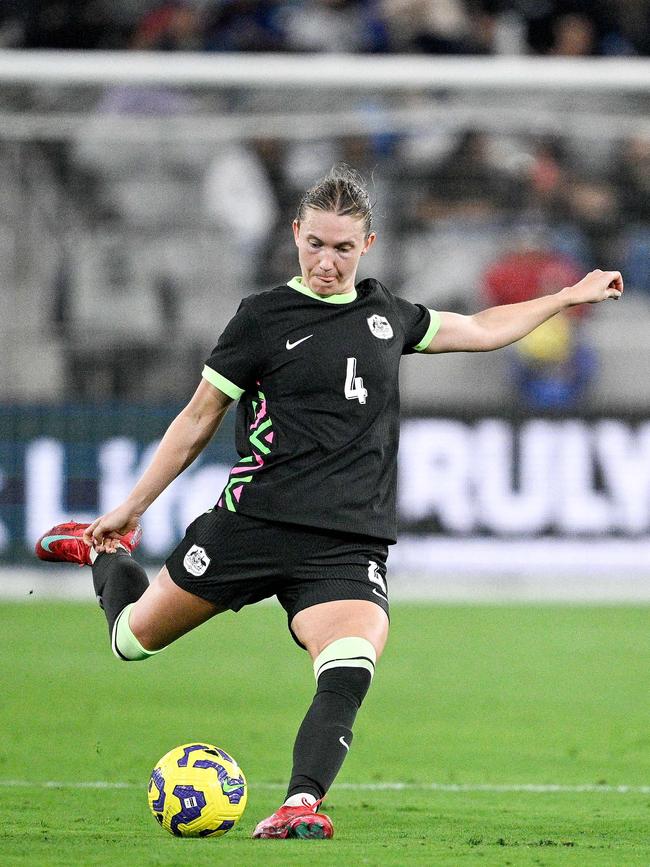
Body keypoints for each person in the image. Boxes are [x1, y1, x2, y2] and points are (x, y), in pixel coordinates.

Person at [35, 166, 624, 840]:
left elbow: (483, 327)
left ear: (367, 243)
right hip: (252, 525)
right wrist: (134, 506)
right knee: (130, 640)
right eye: (315, 244)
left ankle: (299, 804)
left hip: (345, 542)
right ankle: (102, 549)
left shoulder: (386, 315)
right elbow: (198, 419)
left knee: (350, 661)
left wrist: (565, 296)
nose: (326, 261)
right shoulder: (261, 317)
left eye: (343, 248)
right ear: (295, 235)